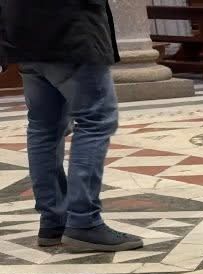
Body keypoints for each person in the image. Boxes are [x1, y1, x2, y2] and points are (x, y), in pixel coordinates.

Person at [0, 0, 143, 253]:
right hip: (72, 33)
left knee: (44, 127)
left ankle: (54, 221)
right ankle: (83, 221)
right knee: (95, 120)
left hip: (24, 36)